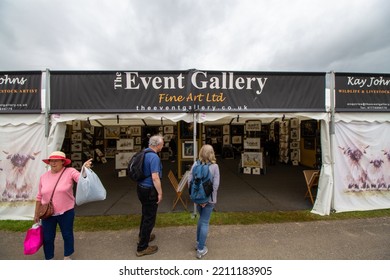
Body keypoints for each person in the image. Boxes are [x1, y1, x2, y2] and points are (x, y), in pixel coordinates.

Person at [34, 151, 92, 260]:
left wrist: (85, 169)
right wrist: (36, 213)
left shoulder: (70, 172)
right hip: (47, 213)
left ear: (63, 162)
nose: (53, 163)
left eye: (56, 161)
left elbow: (81, 179)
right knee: (47, 237)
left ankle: (67, 256)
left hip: (66, 212)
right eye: (51, 161)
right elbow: (39, 196)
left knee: (67, 234)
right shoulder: (43, 177)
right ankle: (49, 258)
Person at [188, 144, 220, 259]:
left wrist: (196, 197)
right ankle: (201, 249)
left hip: (197, 198)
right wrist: (208, 199)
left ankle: (198, 243)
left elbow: (190, 181)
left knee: (201, 220)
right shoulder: (215, 166)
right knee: (205, 222)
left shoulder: (196, 164)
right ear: (212, 153)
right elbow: (215, 186)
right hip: (209, 199)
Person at [136, 134, 164, 257]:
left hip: (141, 188)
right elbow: (155, 177)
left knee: (145, 213)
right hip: (149, 190)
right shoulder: (154, 158)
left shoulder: (144, 153)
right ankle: (142, 247)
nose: (163, 145)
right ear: (157, 145)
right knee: (149, 218)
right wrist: (160, 192)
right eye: (162, 143)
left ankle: (142, 236)